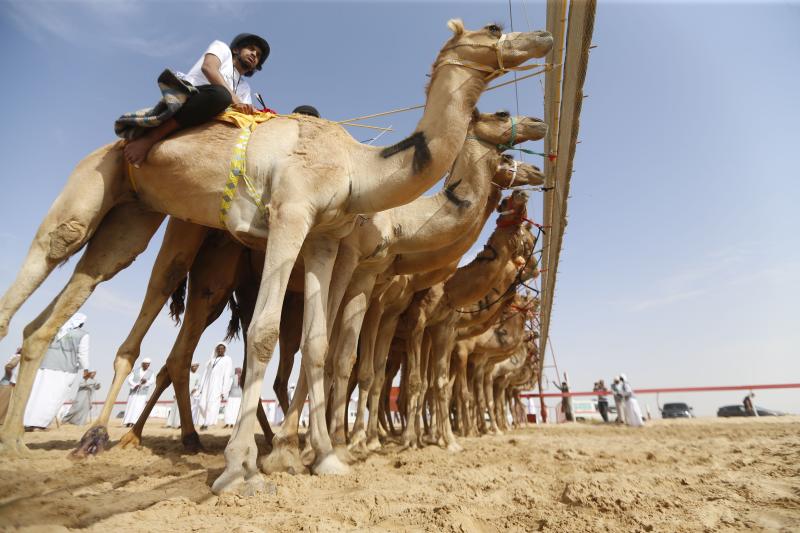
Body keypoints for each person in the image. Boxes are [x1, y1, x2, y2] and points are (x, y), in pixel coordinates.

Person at [123, 33, 270, 167]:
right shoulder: (222, 48)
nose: (254, 55)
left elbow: (245, 114)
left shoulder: (245, 88)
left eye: (258, 55)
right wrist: (236, 102)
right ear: (237, 50)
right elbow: (209, 68)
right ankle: (150, 138)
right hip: (193, 99)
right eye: (251, 49)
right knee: (221, 96)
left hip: (214, 117)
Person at [23, 313, 90, 430]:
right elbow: (83, 354)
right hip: (65, 370)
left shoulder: (55, 331)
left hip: (44, 367)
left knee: (37, 394)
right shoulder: (83, 335)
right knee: (53, 398)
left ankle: (27, 422)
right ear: (81, 323)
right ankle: (40, 424)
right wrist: (86, 368)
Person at [196, 343, 234, 429]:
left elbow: (227, 375)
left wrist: (224, 390)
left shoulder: (227, 359)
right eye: (219, 349)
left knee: (211, 404)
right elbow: (205, 374)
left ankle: (207, 423)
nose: (220, 350)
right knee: (202, 404)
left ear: (225, 350)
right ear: (216, 350)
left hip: (217, 385)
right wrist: (201, 387)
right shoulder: (212, 360)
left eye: (222, 349)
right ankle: (205, 421)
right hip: (207, 385)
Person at [122, 359, 155, 427]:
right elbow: (129, 380)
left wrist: (146, 382)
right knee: (130, 406)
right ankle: (127, 422)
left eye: (149, 364)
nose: (147, 365)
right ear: (142, 364)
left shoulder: (151, 373)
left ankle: (134, 422)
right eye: (146, 364)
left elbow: (152, 381)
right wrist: (135, 385)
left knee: (139, 407)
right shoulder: (135, 371)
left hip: (142, 393)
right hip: (133, 392)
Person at [0, 348, 22, 423]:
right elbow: (8, 367)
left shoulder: (16, 356)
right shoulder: (18, 357)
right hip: (7, 384)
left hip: (7, 383)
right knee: (2, 405)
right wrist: (11, 377)